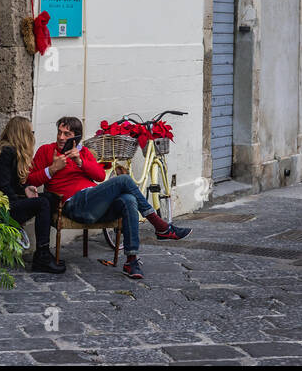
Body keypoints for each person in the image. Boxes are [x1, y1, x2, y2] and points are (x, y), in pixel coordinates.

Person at [27, 116, 192, 280]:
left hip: (96, 204)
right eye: (60, 132)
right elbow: (30, 180)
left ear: (76, 137)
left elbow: (99, 176)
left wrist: (80, 161)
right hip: (74, 205)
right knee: (125, 180)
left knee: (129, 200)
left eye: (67, 134)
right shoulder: (46, 150)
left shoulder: (83, 153)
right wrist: (52, 169)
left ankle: (131, 261)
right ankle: (161, 226)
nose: (61, 137)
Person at [0, 117, 65, 273]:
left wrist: (25, 190)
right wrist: (22, 199)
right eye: (31, 132)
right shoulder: (6, 152)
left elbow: (10, 184)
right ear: (23, 134)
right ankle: (42, 256)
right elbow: (3, 188)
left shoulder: (9, 151)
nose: (33, 136)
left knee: (48, 197)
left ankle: (43, 253)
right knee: (42, 203)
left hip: (5, 203)